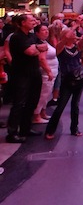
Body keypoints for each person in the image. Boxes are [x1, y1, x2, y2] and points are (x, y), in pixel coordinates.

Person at [6, 13, 47, 143]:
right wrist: (37, 48)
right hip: (21, 73)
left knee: (32, 101)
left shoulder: (31, 35)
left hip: (34, 72)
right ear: (23, 22)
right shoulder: (17, 37)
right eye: (31, 20)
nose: (34, 22)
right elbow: (30, 52)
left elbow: (44, 47)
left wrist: (36, 48)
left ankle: (25, 128)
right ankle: (12, 132)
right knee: (19, 102)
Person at [44, 25, 83, 139]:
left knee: (75, 105)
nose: (75, 36)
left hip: (79, 78)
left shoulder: (77, 47)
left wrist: (81, 25)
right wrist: (74, 26)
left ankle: (75, 128)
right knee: (61, 106)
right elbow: (66, 37)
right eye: (73, 34)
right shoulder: (60, 47)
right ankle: (50, 130)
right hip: (67, 79)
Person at [34, 23, 57, 124]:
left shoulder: (45, 42)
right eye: (43, 30)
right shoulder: (40, 44)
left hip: (52, 71)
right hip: (45, 73)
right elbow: (42, 59)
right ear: (37, 33)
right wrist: (48, 71)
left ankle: (42, 112)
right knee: (42, 94)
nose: (46, 31)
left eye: (47, 30)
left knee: (47, 94)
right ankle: (36, 115)